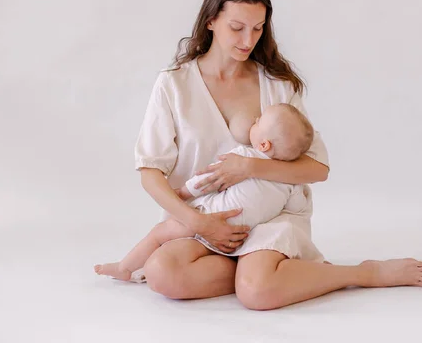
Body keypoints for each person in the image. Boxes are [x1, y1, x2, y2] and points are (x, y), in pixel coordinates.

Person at [128, 0, 422, 310]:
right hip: (205, 218)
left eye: (258, 28)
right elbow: (150, 172)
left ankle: (362, 273)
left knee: (256, 295)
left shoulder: (275, 83)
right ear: (211, 20)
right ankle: (265, 271)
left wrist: (247, 167)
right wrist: (200, 223)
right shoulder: (174, 84)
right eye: (237, 27)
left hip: (272, 213)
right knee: (161, 273)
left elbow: (317, 169)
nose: (248, 40)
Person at [94, 103, 315, 281]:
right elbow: (297, 208)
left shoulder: (243, 155)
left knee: (159, 233)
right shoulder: (289, 182)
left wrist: (183, 192)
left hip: (208, 216)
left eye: (259, 122)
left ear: (264, 145)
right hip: (242, 237)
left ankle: (125, 267)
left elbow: (207, 178)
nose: (254, 121)